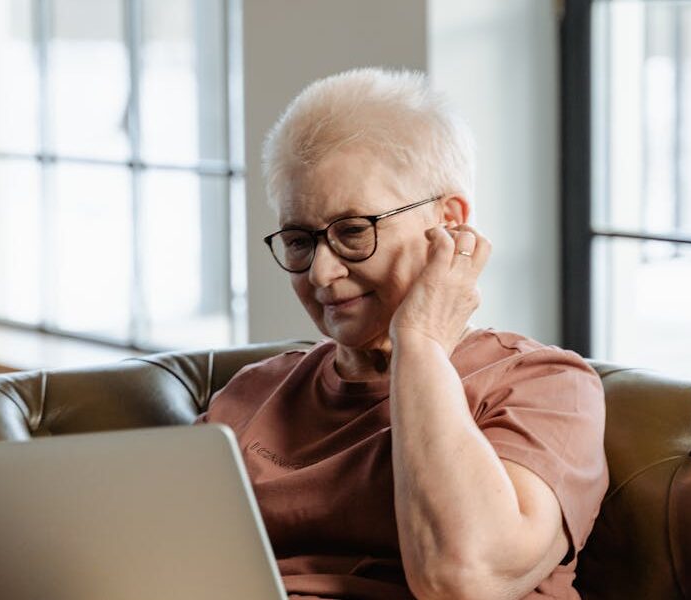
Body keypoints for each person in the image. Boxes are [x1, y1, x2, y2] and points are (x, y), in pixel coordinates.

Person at [194, 67, 608, 600]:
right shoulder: (251, 396)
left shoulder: (545, 387)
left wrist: (420, 341)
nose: (321, 274)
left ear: (450, 221)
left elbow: (461, 580)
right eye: (300, 240)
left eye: (352, 231)